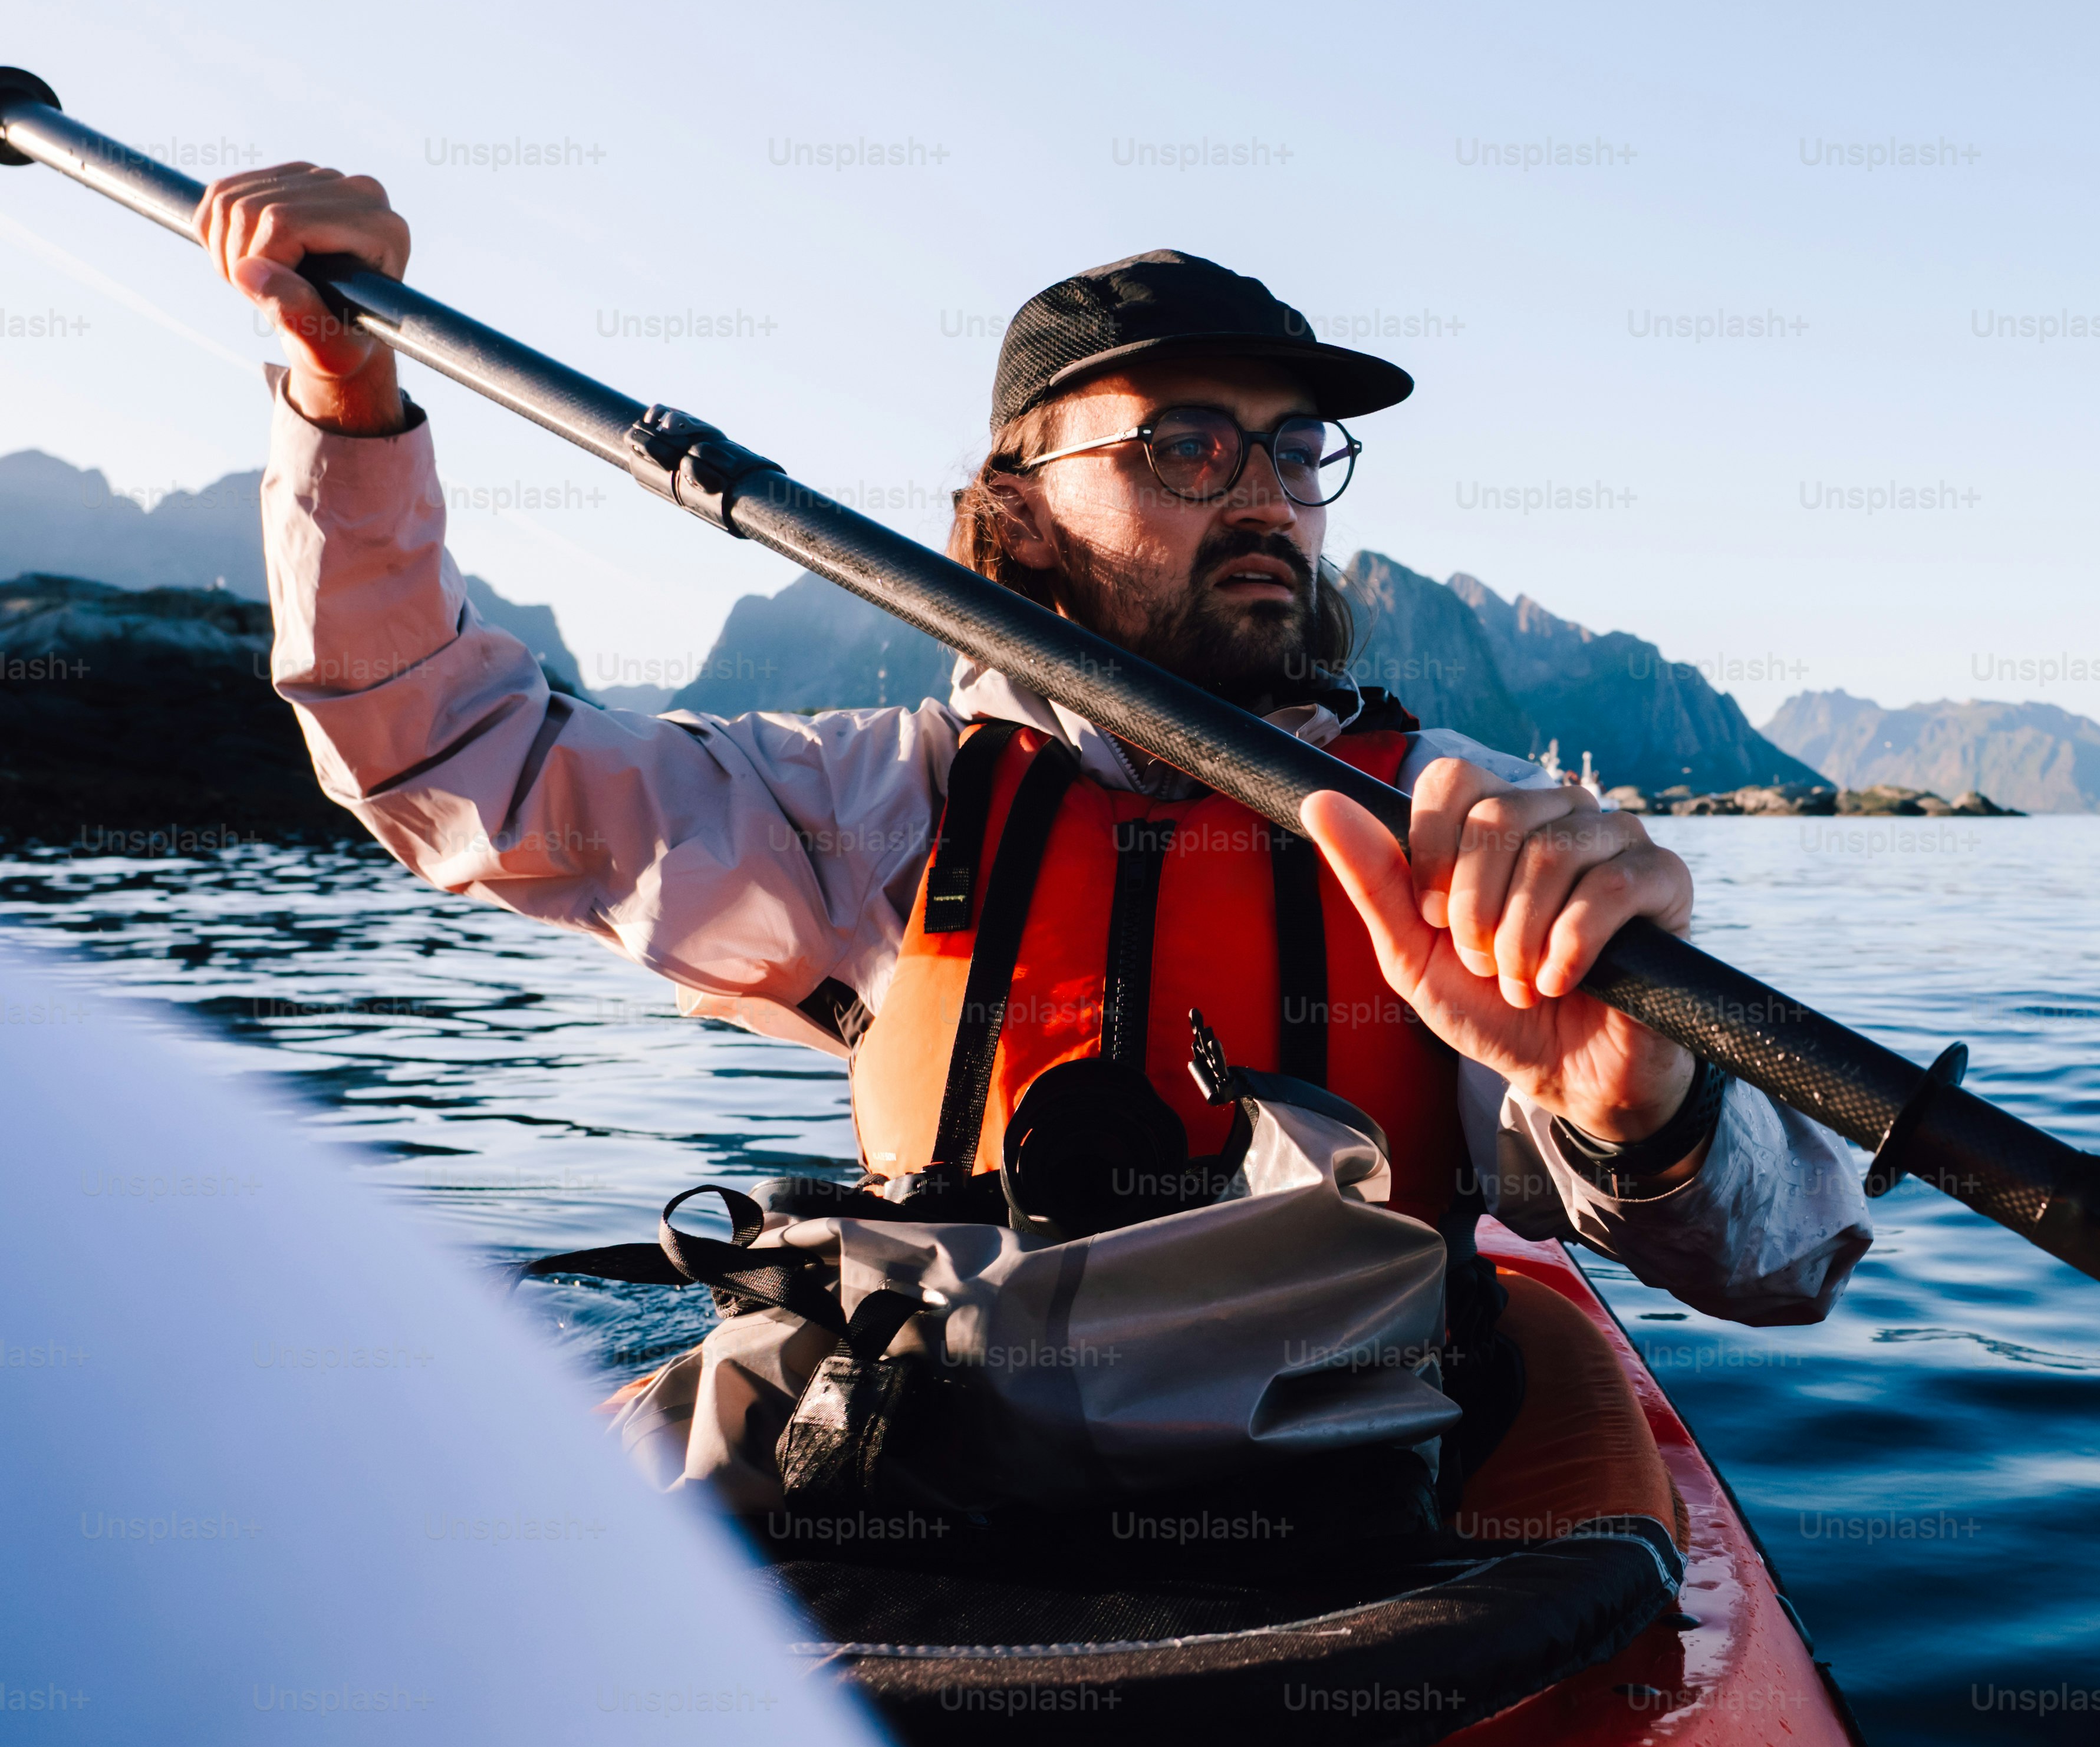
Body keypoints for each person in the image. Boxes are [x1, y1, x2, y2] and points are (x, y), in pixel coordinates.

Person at [198, 162, 1871, 1335]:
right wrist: (345, 401)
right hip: (947, 1491)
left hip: (1362, 1545)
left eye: (1299, 451)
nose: (1270, 496)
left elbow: (1788, 1264)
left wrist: (1635, 1105)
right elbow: (445, 758)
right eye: (1190, 444)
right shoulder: (874, 811)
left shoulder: (1466, 825)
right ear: (1024, 509)